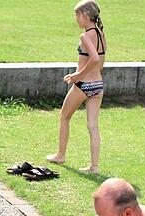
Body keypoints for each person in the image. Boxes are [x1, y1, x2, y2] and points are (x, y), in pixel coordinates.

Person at [46, 0, 107, 174]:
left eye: (76, 15)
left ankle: (60, 155)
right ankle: (94, 167)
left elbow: (94, 59)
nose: (76, 19)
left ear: (84, 16)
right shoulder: (101, 34)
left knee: (64, 117)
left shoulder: (86, 36)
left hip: (84, 84)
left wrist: (77, 76)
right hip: (98, 85)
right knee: (93, 126)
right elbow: (100, 63)